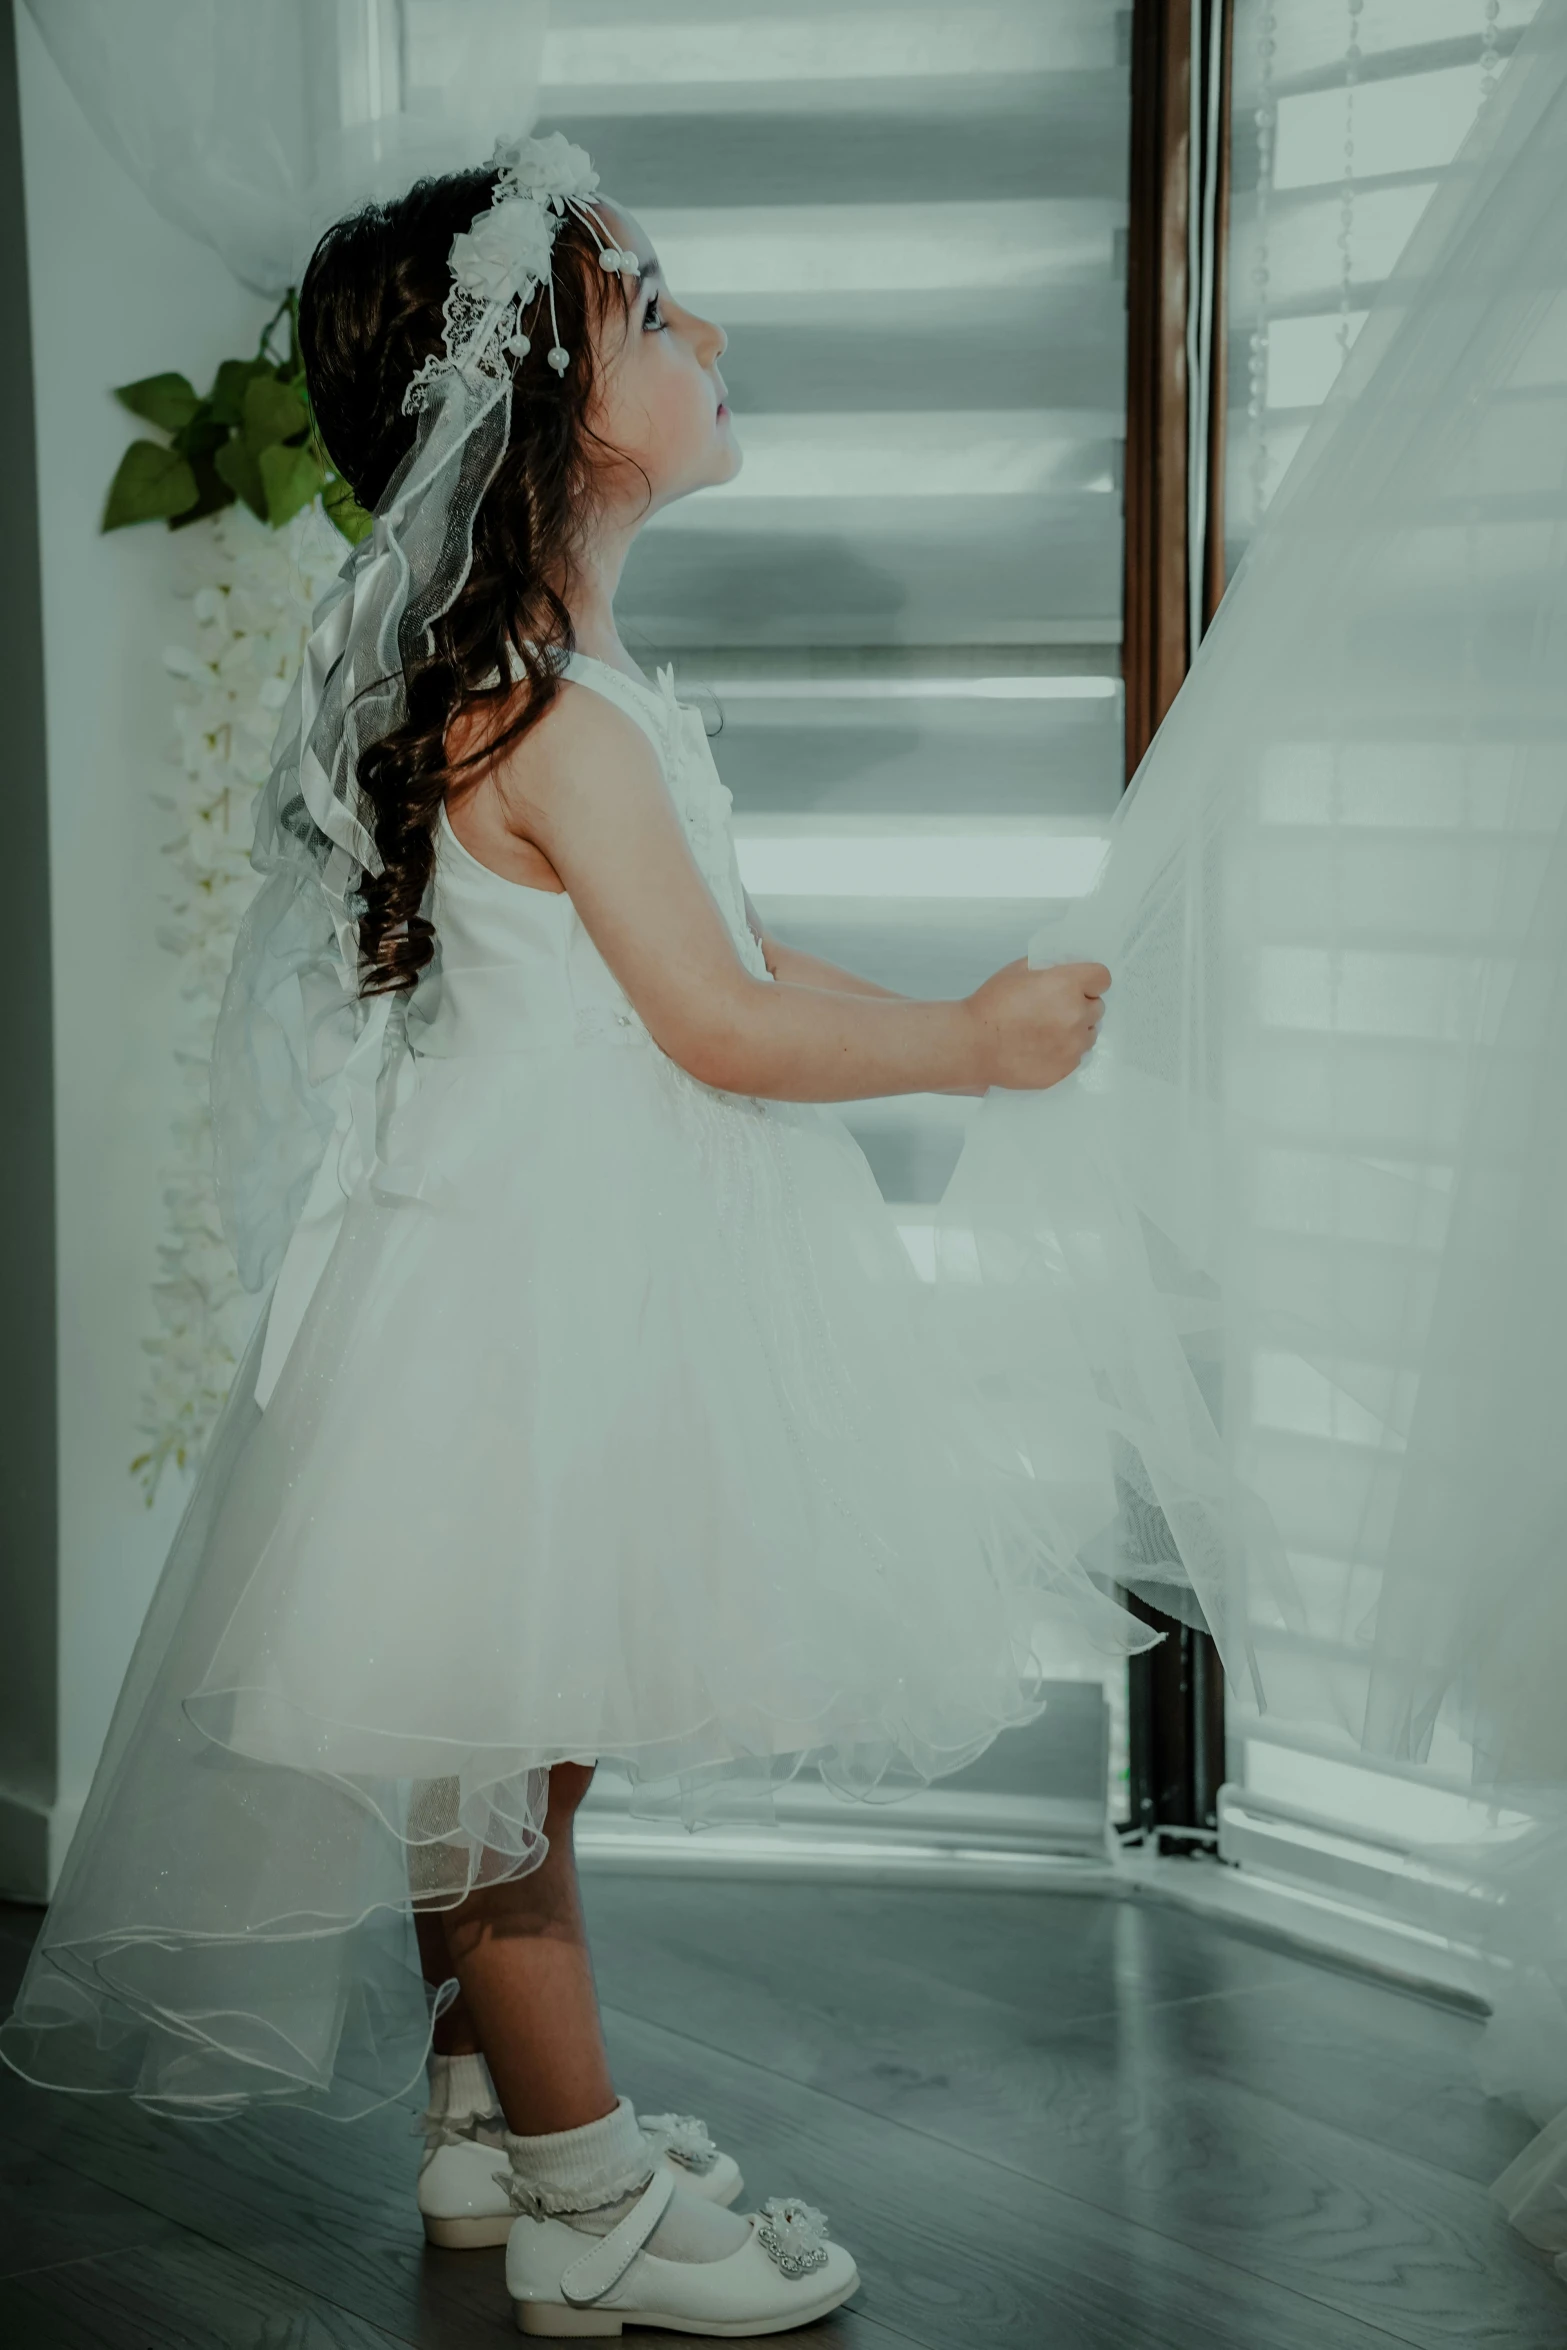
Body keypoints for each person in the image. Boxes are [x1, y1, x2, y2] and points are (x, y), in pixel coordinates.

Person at [2, 136, 1140, 2337]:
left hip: (572, 1285)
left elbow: (737, 951)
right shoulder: (544, 711)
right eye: (651, 312)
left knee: (518, 1725)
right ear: (535, 407)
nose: (708, 337)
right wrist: (970, 1054)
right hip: (526, 1300)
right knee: (500, 1770)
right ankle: (588, 2186)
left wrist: (942, 1012)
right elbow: (718, 1022)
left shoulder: (576, 687)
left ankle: (487, 2105)